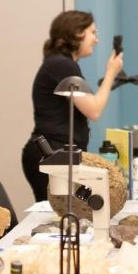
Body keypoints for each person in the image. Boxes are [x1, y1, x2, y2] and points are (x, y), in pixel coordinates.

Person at [21, 10, 124, 201]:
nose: (96, 40)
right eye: (93, 32)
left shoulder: (61, 64)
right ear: (77, 33)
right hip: (51, 153)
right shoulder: (63, 65)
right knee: (57, 214)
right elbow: (93, 109)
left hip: (56, 152)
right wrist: (110, 73)